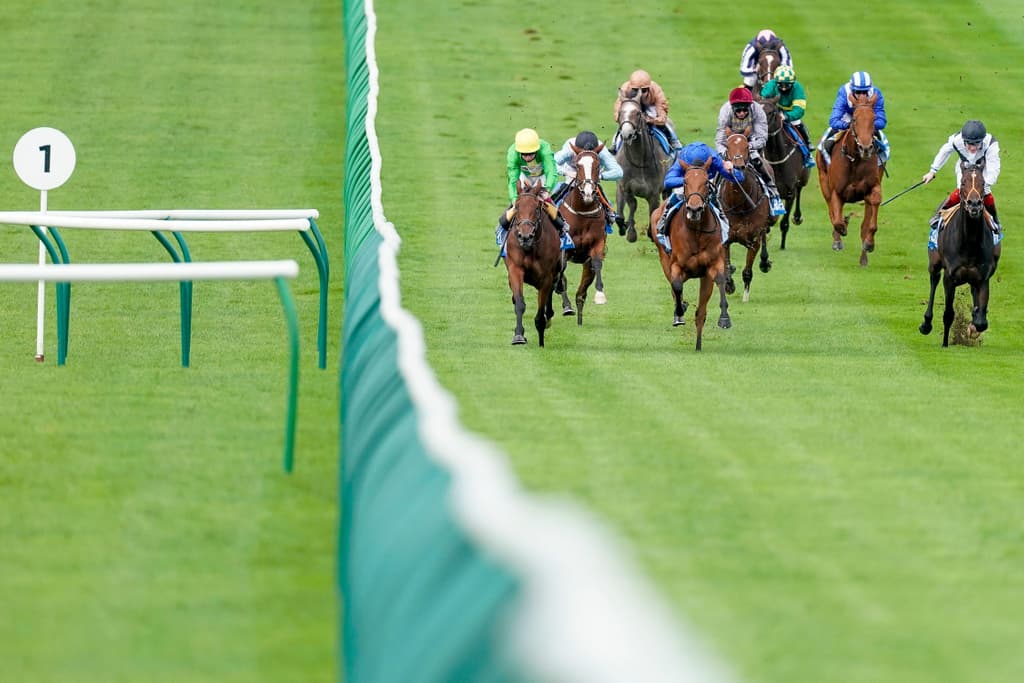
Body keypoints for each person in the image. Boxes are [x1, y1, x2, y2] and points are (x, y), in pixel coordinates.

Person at [922, 119, 1002, 250]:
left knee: (985, 190)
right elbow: (944, 152)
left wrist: (981, 184)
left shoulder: (991, 144)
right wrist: (932, 171)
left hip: (984, 169)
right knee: (962, 190)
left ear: (982, 141)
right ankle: (938, 215)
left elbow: (994, 169)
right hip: (964, 167)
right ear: (964, 140)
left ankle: (995, 221)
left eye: (976, 144)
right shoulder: (956, 140)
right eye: (969, 144)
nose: (972, 148)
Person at [653, 141, 745, 253]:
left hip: (704, 185)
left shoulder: (714, 158)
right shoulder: (683, 158)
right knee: (675, 198)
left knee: (715, 201)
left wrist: (732, 169)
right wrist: (690, 180)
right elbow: (668, 181)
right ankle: (662, 226)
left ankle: (725, 230)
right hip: (686, 184)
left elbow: (740, 178)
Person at [495, 128, 574, 251]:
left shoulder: (545, 149)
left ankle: (563, 228)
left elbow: (551, 172)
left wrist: (547, 190)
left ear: (537, 150)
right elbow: (513, 179)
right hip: (524, 176)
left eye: (531, 154)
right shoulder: (513, 153)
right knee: (519, 203)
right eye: (524, 154)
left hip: (542, 176)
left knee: (546, 201)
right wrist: (515, 199)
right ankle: (501, 230)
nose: (527, 157)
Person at [715, 87, 786, 216]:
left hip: (750, 142)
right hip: (730, 143)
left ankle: (773, 194)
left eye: (745, 110)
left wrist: (746, 147)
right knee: (718, 166)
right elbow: (720, 139)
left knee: (759, 163)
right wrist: (725, 153)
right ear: (733, 108)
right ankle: (714, 194)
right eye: (738, 110)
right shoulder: (725, 111)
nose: (742, 113)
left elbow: (762, 138)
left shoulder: (758, 111)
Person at [552, 130, 623, 228]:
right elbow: (551, 163)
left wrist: (600, 176)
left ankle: (610, 214)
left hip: (592, 173)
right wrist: (567, 172)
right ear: (576, 150)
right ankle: (549, 208)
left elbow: (618, 172)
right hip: (572, 170)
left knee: (596, 189)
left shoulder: (602, 151)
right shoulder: (569, 148)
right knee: (561, 191)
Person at [818, 71, 889, 167]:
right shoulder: (844, 91)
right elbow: (834, 120)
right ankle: (825, 167)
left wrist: (865, 125)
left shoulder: (876, 93)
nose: (862, 95)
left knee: (884, 145)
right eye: (858, 92)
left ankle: (879, 167)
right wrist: (848, 125)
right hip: (847, 118)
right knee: (824, 144)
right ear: (852, 90)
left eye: (865, 92)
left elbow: (881, 121)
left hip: (867, 120)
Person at [611, 69, 682, 152]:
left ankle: (674, 141)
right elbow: (618, 109)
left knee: (665, 123)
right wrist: (621, 118)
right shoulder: (625, 89)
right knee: (626, 121)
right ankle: (614, 144)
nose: (640, 94)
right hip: (632, 104)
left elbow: (662, 115)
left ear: (649, 89)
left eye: (644, 90)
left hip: (650, 105)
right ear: (631, 88)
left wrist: (652, 120)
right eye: (635, 90)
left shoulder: (656, 90)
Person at [760, 64, 815, 168]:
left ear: (792, 83)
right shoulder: (771, 85)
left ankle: (807, 149)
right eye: (781, 85)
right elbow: (764, 100)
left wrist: (786, 116)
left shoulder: (798, 88)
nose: (784, 88)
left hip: (789, 113)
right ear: (776, 82)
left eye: (787, 85)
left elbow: (799, 110)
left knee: (797, 123)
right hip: (774, 110)